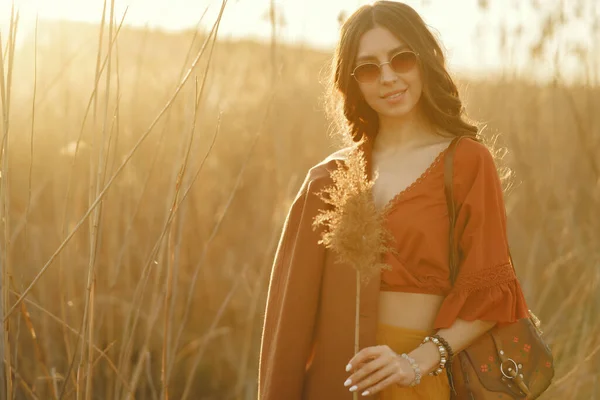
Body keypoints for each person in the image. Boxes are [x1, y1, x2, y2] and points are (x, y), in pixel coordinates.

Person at [258, 1, 531, 399]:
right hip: (341, 384)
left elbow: (493, 295)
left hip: (426, 380)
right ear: (353, 83)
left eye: (401, 59)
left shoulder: (468, 162)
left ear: (424, 61)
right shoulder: (328, 180)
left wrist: (416, 361)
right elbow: (289, 324)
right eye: (369, 68)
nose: (387, 78)